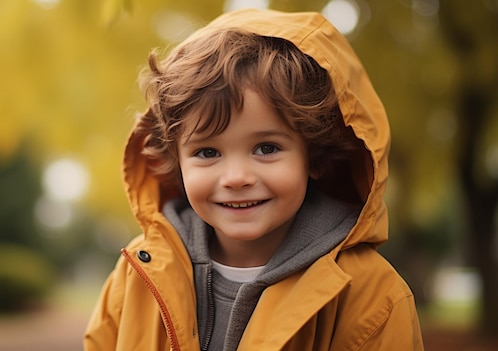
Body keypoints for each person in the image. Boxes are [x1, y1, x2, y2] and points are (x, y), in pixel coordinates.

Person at [84, 8, 424, 351]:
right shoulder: (136, 278)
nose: (236, 178)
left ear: (314, 156)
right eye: (207, 153)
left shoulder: (371, 296)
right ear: (177, 163)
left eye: (266, 148)